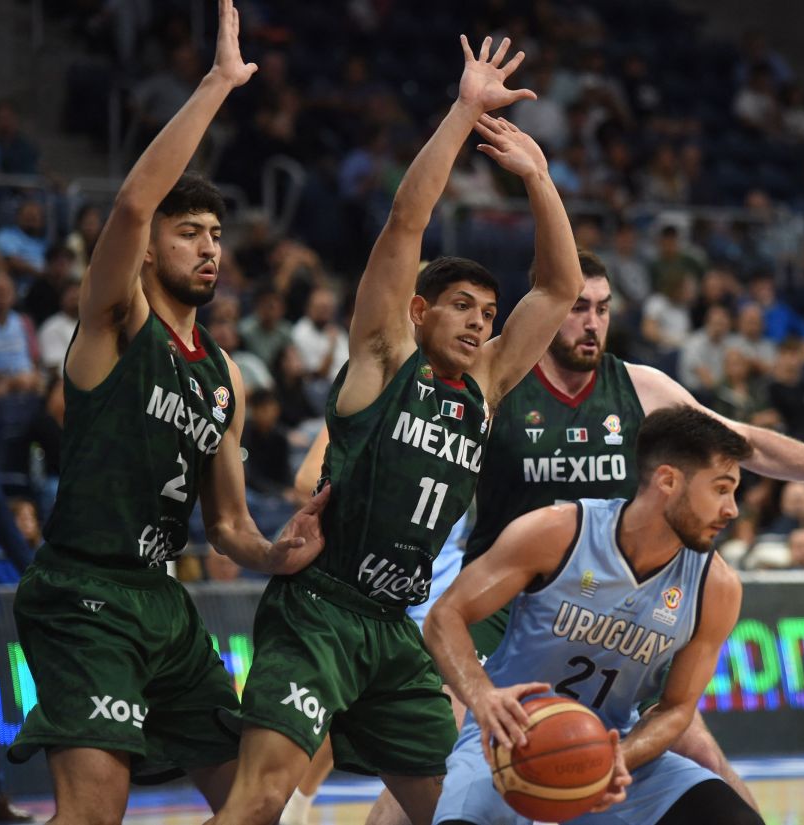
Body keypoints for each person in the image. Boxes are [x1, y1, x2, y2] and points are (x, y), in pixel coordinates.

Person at [345, 248, 804, 823]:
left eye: (603, 308)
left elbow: (743, 443)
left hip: (615, 602)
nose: (591, 322)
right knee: (439, 749)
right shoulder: (497, 381)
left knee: (699, 749)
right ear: (545, 310)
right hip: (507, 602)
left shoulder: (640, 389)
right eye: (577, 307)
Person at [208, 35, 583, 825]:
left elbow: (558, 286)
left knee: (456, 811)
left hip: (397, 626)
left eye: (488, 314)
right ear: (420, 311)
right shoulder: (384, 358)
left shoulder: (482, 388)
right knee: (263, 798)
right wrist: (463, 110)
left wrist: (541, 180)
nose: (482, 325)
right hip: (321, 607)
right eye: (464, 309)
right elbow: (407, 222)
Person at [6, 2, 329, 822]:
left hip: (163, 602)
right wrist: (220, 84)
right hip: (84, 590)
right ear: (152, 249)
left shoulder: (223, 373)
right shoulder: (117, 321)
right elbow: (126, 207)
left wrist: (277, 553)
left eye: (218, 233)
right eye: (190, 232)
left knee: (261, 801)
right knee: (95, 809)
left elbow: (224, 522)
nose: (210, 247)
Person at [425, 406, 763, 825]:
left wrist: (617, 758)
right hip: (506, 743)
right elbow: (445, 615)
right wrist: (482, 698)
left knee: (733, 819)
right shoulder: (557, 532)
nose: (732, 509)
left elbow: (676, 708)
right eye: (721, 489)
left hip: (613, 750)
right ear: (668, 481)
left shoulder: (717, 586)